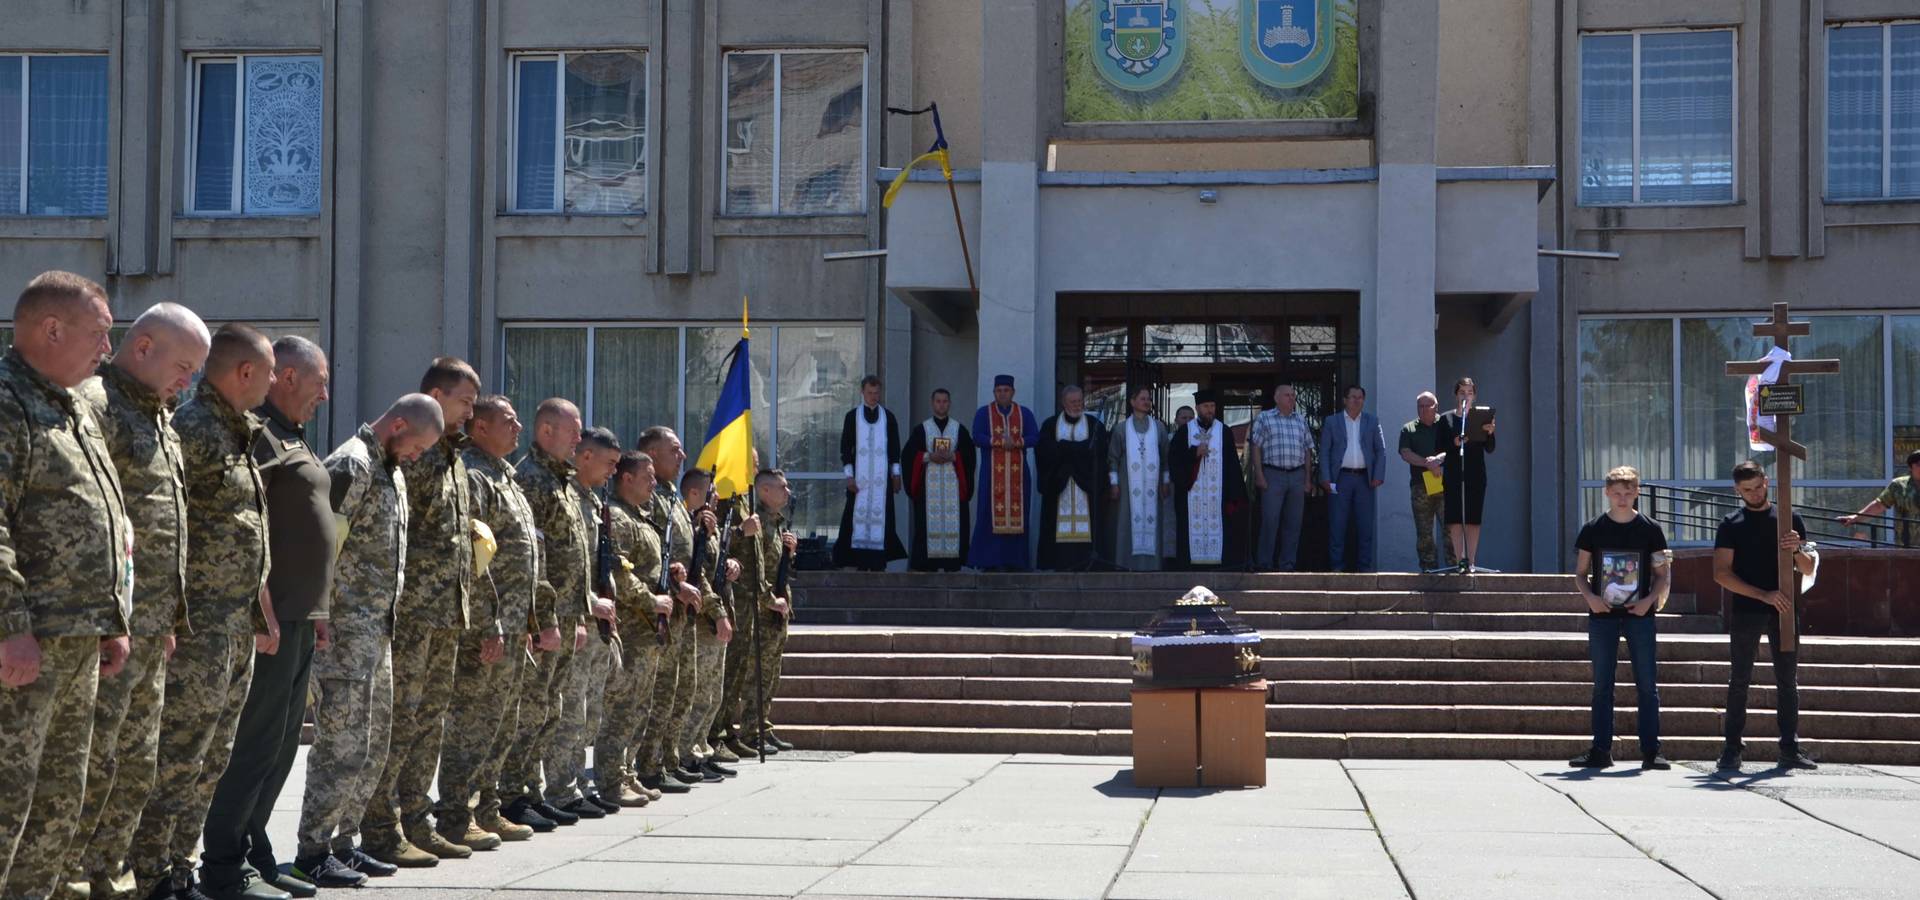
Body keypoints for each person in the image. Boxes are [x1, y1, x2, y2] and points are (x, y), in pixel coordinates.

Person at [61, 303, 205, 900]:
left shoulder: (160, 418)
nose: (188, 381)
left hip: (148, 629)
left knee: (134, 765)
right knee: (89, 765)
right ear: (142, 346)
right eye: (183, 365)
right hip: (106, 630)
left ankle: (112, 878)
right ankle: (68, 879)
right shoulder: (96, 406)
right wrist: (110, 616)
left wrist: (167, 616)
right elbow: (92, 523)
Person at [131, 324, 279, 900]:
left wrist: (260, 604)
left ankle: (176, 868)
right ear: (246, 372)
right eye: (268, 373)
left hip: (232, 627)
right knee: (178, 755)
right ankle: (151, 875)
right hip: (196, 629)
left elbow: (245, 533)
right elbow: (165, 528)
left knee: (208, 759)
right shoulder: (192, 429)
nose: (272, 384)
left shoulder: (237, 433)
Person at [0, 272, 132, 897]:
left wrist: (114, 620)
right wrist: (10, 628)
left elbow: (107, 516)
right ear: (52, 329)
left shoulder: (73, 405)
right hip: (28, 645)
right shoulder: (7, 401)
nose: (107, 351)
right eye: (100, 335)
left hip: (77, 641)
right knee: (9, 803)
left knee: (58, 802)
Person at [201, 336, 335, 898]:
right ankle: (226, 863)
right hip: (270, 619)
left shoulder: (291, 438)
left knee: (281, 745)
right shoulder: (255, 437)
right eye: (319, 381)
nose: (324, 395)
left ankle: (256, 850)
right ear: (283, 376)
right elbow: (244, 529)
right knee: (255, 742)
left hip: (301, 616)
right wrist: (264, 612)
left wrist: (320, 606)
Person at [291, 395, 441, 889]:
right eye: (416, 446)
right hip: (343, 632)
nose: (417, 457)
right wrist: (320, 612)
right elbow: (321, 541)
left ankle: (344, 843)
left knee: (372, 745)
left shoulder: (390, 468)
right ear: (397, 424)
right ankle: (313, 848)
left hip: (378, 631)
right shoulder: (351, 464)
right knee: (341, 745)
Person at [362, 357, 481, 867]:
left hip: (444, 614)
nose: (471, 412)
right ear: (436, 394)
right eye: (465, 402)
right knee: (403, 721)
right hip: (412, 614)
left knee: (428, 721)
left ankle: (415, 818)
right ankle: (381, 826)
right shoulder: (421, 455)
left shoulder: (452, 456)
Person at [452, 395, 553, 839]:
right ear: (480, 428)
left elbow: (528, 557)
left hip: (515, 624)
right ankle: (458, 813)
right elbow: (475, 557)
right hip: (489, 626)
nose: (517, 428)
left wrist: (530, 622)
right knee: (473, 722)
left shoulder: (505, 476)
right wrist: (488, 625)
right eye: (507, 421)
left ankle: (487, 808)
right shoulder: (475, 475)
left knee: (501, 721)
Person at [501, 399, 590, 828]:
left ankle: (529, 791)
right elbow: (535, 558)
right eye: (572, 431)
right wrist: (545, 620)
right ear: (547, 431)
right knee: (531, 708)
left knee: (548, 708)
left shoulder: (561, 481)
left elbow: (574, 556)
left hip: (566, 616)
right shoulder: (533, 480)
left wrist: (579, 616)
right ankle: (512, 794)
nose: (578, 439)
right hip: (542, 621)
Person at [1713, 460, 1819, 773]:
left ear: (1767, 481)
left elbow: (1810, 569)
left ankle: (1789, 747)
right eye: (1747, 490)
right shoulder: (1731, 523)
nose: (1755, 494)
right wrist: (1762, 595)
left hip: (1785, 609)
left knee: (1788, 680)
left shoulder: (1788, 518)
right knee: (1740, 679)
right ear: (1737, 490)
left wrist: (1796, 550)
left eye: (1759, 487)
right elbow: (1721, 574)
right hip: (1748, 609)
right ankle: (1731, 749)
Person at [1569, 466, 1671, 771]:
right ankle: (1601, 749)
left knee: (1647, 683)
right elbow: (1579, 574)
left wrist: (1649, 602)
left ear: (1637, 492)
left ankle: (1652, 751)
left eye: (1628, 493)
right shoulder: (1593, 528)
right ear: (1607, 493)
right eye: (1616, 493)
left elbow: (1663, 575)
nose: (1622, 498)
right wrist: (1590, 598)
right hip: (1602, 615)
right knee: (1602, 684)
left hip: (1640, 615)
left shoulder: (1651, 529)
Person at [544, 427, 622, 820]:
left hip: (593, 620)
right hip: (570, 616)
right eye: (608, 463)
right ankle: (560, 788)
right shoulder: (564, 493)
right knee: (569, 710)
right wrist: (586, 603)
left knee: (586, 711)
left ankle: (574, 783)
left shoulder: (592, 499)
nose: (612, 471)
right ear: (587, 457)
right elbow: (558, 563)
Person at [595, 450, 675, 806]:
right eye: (648, 476)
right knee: (621, 708)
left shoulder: (642, 518)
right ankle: (611, 781)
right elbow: (620, 574)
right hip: (631, 628)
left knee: (639, 707)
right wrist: (650, 601)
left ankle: (627, 773)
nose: (655, 483)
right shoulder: (616, 516)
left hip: (649, 633)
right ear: (626, 478)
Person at [634, 426, 702, 795]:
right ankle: (648, 766)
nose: (682, 456)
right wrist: (676, 585)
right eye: (673, 450)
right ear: (652, 454)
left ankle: (665, 759)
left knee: (677, 689)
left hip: (680, 609)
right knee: (658, 692)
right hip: (657, 608)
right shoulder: (649, 497)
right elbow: (654, 557)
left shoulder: (672, 495)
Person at [673, 468, 742, 783]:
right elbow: (696, 573)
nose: (717, 498)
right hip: (702, 621)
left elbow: (713, 568)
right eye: (712, 492)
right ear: (696, 494)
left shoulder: (708, 528)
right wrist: (716, 612)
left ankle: (700, 749)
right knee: (698, 694)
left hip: (716, 615)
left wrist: (730, 565)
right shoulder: (688, 526)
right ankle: (687, 754)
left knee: (712, 694)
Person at [731, 469, 799, 754]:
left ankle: (763, 726)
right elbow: (752, 570)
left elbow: (775, 567)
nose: (788, 492)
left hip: (777, 607)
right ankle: (750, 730)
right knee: (756, 674)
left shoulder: (777, 524)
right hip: (761, 608)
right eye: (782, 487)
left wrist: (790, 553)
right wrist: (769, 600)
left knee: (771, 673)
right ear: (765, 491)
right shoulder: (756, 523)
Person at [1168, 390, 1248, 569]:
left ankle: (1219, 567)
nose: (1210, 410)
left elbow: (1233, 467)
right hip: (1191, 498)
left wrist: (1233, 496)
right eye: (1206, 406)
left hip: (1217, 499)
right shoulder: (1185, 432)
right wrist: (1193, 454)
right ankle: (1189, 569)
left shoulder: (1224, 431)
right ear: (1197, 408)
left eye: (1212, 406)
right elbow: (1174, 461)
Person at [831, 375, 905, 571]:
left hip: (882, 482)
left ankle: (879, 562)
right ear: (862, 392)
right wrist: (849, 475)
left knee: (883, 519)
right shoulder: (852, 417)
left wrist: (896, 474)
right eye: (870, 393)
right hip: (859, 481)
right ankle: (857, 561)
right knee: (854, 518)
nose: (873, 397)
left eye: (876, 393)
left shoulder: (888, 417)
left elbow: (895, 449)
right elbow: (846, 448)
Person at [901, 388, 975, 571]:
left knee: (955, 525)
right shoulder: (922, 430)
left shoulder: (959, 429)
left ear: (949, 404)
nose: (941, 404)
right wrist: (927, 457)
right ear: (932, 403)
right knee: (926, 526)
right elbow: (908, 456)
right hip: (929, 492)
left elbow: (969, 457)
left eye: (945, 401)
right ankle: (927, 563)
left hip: (953, 491)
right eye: (938, 401)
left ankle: (953, 563)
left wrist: (955, 457)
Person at [969, 375, 1038, 571]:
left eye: (1006, 390)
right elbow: (977, 436)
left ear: (1013, 392)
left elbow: (1035, 436)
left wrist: (1016, 442)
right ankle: (989, 561)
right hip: (991, 476)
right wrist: (999, 442)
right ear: (994, 392)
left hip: (1018, 476)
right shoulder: (984, 413)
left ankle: (1015, 561)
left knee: (1019, 515)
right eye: (999, 390)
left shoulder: (1024, 413)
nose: (1002, 394)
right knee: (988, 513)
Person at [1036, 386, 1109, 571]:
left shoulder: (1094, 425)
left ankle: (1088, 563)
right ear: (1063, 403)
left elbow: (1099, 453)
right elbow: (1045, 452)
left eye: (1080, 401)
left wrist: (1066, 449)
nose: (1078, 405)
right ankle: (1058, 563)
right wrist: (1077, 451)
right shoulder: (1050, 425)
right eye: (1073, 402)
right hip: (1059, 483)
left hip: (1086, 486)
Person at [1319, 385, 1387, 573]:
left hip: (1365, 479)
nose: (1356, 400)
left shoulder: (1372, 422)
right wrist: (1325, 477)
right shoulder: (1332, 422)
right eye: (1353, 397)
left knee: (1365, 526)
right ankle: (1337, 567)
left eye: (1360, 397)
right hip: (1340, 479)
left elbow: (1381, 451)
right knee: (1337, 524)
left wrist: (1378, 476)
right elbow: (1324, 451)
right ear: (1345, 400)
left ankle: (1364, 567)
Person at [1249, 384, 1314, 571]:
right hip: (1273, 474)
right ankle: (1265, 563)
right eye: (1287, 395)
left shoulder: (1301, 420)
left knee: (1293, 522)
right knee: (1270, 520)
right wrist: (1259, 475)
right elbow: (1255, 447)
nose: (1292, 398)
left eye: (1294, 395)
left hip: (1297, 475)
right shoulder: (1264, 418)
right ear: (1277, 398)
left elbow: (1308, 450)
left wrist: (1308, 479)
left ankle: (1287, 564)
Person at [1107, 386, 1171, 572]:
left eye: (1148, 399)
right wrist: (1114, 483)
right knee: (1127, 521)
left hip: (1153, 484)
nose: (1147, 402)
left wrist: (1165, 481)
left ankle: (1153, 565)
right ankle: (1125, 563)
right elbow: (1112, 457)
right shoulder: (1121, 428)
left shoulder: (1159, 427)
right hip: (1128, 484)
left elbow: (1166, 455)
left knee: (1152, 521)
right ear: (1132, 402)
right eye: (1142, 398)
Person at [1436, 377, 1496, 572]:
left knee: (1473, 518)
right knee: (1454, 517)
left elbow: (1490, 448)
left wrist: (1490, 433)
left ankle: (1470, 561)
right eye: (1462, 392)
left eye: (1469, 393)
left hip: (1475, 473)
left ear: (1475, 396)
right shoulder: (1446, 419)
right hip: (1454, 473)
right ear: (1456, 395)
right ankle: (1458, 560)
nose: (1466, 396)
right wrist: (1453, 443)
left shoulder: (1481, 418)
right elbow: (1438, 446)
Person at [1398, 392, 1455, 572]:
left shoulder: (1446, 424)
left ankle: (1455, 568)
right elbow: (1405, 453)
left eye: (1427, 406)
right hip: (1420, 487)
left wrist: (1438, 460)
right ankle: (1429, 570)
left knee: (1451, 529)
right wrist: (1427, 463)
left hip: (1445, 485)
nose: (1423, 410)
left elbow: (1454, 447)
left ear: (1436, 407)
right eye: (1420, 406)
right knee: (1424, 532)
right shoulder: (1409, 428)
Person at [1838, 449, 1920, 547]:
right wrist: (1856, 518)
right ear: (1911, 466)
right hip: (1907, 544)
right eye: (1919, 464)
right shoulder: (1899, 485)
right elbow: (1879, 505)